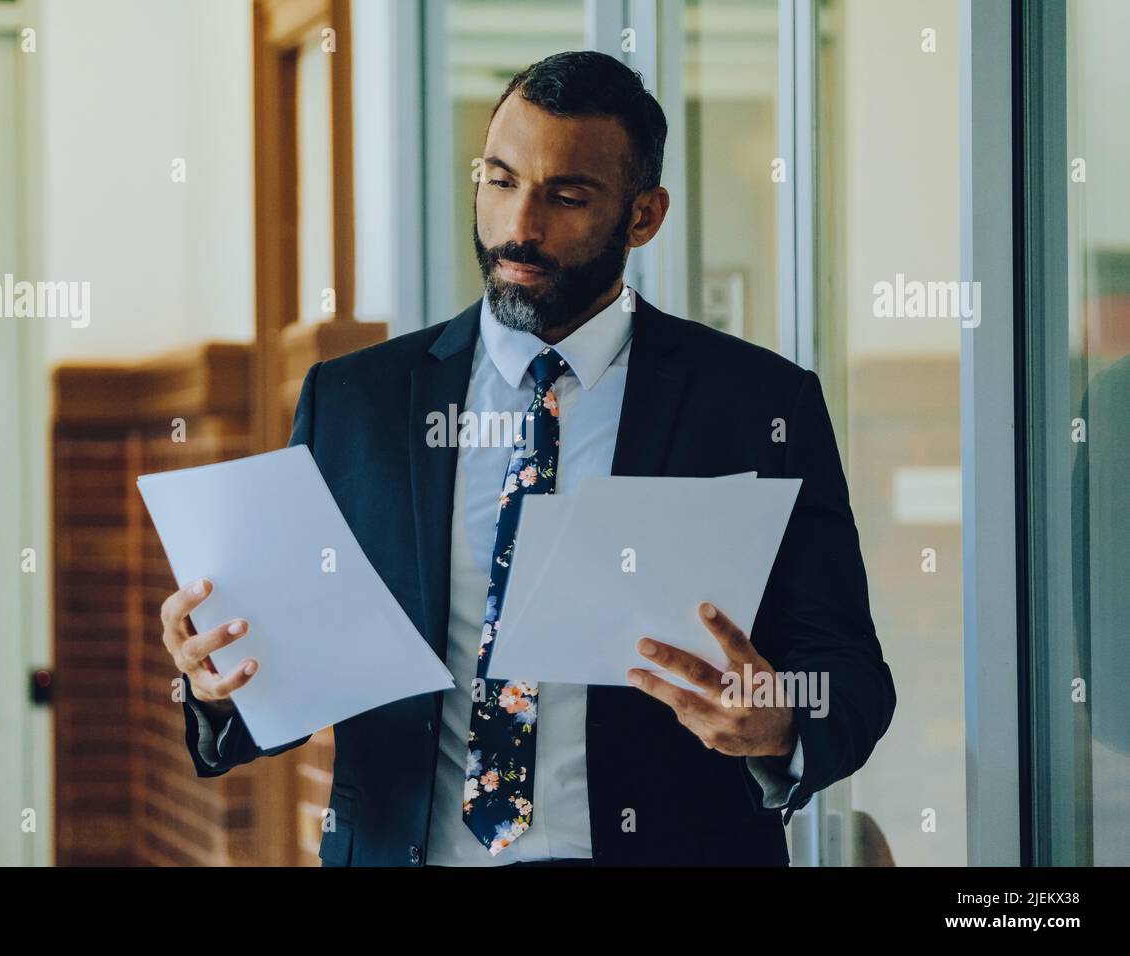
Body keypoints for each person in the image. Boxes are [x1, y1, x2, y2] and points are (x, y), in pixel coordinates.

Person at [159, 50, 895, 867]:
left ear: (644, 216)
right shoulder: (356, 403)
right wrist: (217, 683)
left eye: (567, 196)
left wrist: (780, 721)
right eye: (500, 180)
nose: (519, 227)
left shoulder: (759, 406)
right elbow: (288, 670)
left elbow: (851, 674)